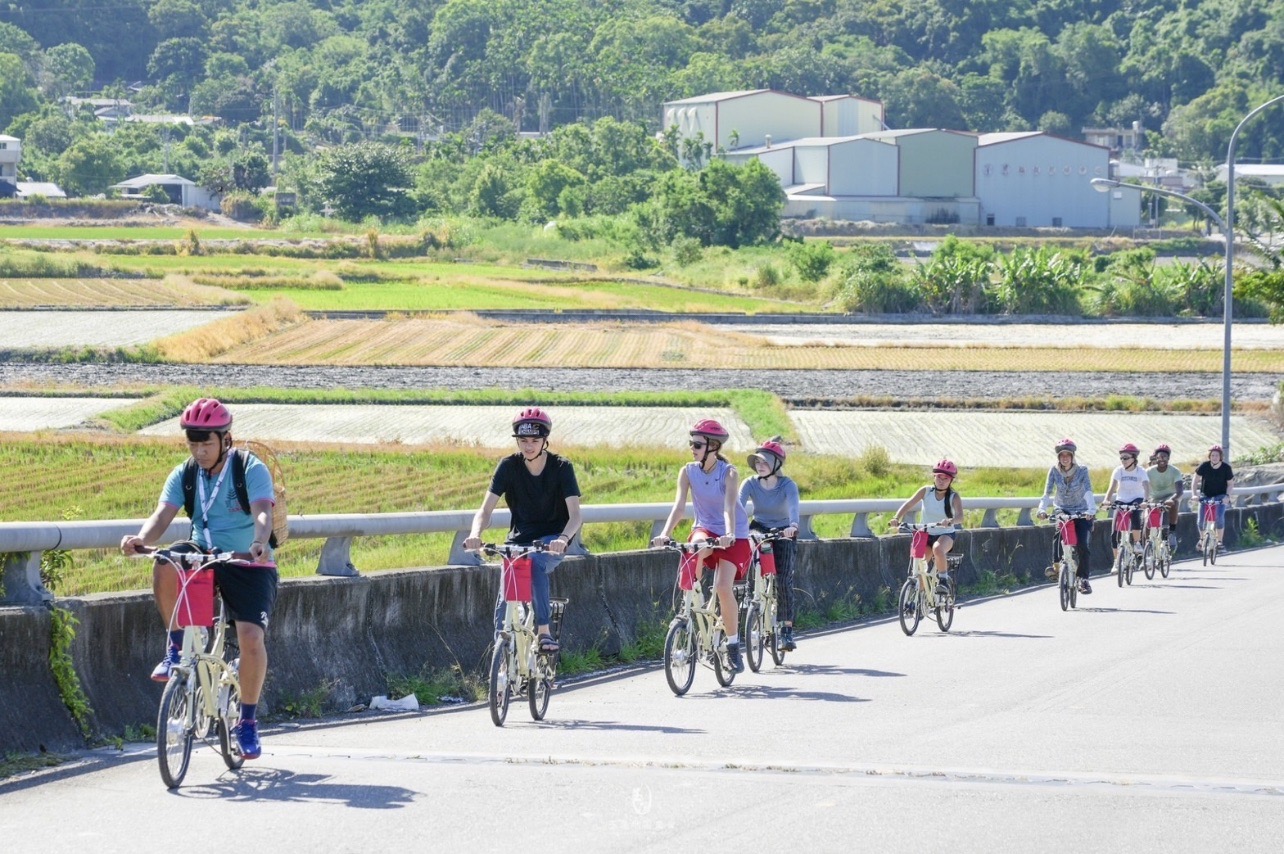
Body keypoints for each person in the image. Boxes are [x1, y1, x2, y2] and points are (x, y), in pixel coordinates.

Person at [120, 398, 276, 760]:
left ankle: (248, 723)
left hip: (246, 559)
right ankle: (175, 648)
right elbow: (162, 515)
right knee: (164, 561)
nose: (200, 451)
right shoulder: (185, 474)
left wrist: (258, 543)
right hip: (203, 553)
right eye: (193, 443)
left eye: (207, 443)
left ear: (226, 439)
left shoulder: (249, 468)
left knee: (251, 638)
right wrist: (143, 539)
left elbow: (263, 513)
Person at [465, 407, 582, 654]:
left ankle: (543, 631)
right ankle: (501, 650)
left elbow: (575, 517)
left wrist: (562, 539)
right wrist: (475, 534)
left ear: (545, 441)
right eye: (523, 440)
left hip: (551, 541)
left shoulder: (561, 467)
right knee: (506, 593)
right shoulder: (508, 466)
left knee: (536, 562)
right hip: (519, 541)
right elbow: (484, 511)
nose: (528, 446)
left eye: (535, 440)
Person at [652, 419, 752, 673]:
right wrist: (665, 533)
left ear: (713, 447)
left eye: (697, 444)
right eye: (691, 443)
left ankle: (731, 645)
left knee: (722, 587)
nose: (692, 448)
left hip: (733, 535)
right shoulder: (687, 471)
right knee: (691, 550)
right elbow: (678, 506)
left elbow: (729, 507)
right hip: (705, 528)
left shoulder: (729, 472)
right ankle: (690, 611)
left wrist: (729, 532)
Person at [738, 437, 801, 651]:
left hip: (784, 530)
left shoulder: (787, 485)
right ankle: (751, 596)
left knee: (783, 580)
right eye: (757, 462)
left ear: (776, 464)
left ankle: (786, 631)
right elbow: (738, 507)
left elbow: (793, 507)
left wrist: (792, 525)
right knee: (747, 551)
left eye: (765, 462)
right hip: (759, 528)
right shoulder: (750, 483)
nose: (760, 465)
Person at [889, 459, 964, 585]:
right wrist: (896, 518)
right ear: (934, 476)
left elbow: (960, 517)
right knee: (920, 567)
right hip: (925, 534)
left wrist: (950, 521)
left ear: (951, 480)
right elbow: (909, 504)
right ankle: (920, 597)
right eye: (939, 477)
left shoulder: (954, 496)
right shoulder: (926, 491)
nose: (941, 480)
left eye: (945, 478)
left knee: (938, 549)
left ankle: (943, 581)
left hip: (945, 535)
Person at [1037, 438, 1097, 594]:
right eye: (1061, 455)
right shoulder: (1054, 471)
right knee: (1059, 535)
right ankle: (1057, 567)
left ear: (1072, 456)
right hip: (1062, 508)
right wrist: (1042, 509)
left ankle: (1083, 579)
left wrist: (1091, 510)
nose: (1065, 458)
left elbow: (1088, 490)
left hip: (1081, 510)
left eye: (1067, 455)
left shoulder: (1082, 470)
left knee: (1083, 545)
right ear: (1058, 457)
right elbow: (1047, 493)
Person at [1103, 442, 1151, 565]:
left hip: (1137, 499)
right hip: (1121, 499)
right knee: (1114, 533)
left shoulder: (1140, 471)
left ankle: (1137, 543)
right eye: (1121, 458)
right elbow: (1112, 486)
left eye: (1126, 458)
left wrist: (1145, 500)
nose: (1123, 461)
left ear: (1134, 458)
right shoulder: (1118, 470)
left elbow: (1146, 486)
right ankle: (1116, 562)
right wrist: (1107, 500)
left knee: (1135, 516)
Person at [1192, 444, 1235, 550]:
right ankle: (1202, 539)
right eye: (1212, 455)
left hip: (1220, 496)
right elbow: (1195, 480)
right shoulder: (1204, 466)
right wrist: (1194, 494)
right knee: (1200, 520)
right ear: (1209, 456)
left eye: (1216, 455)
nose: (1214, 457)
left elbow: (1230, 484)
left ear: (1220, 456)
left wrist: (1227, 497)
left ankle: (1219, 541)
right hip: (1205, 495)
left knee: (1219, 518)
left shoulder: (1226, 468)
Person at [1146, 444, 1183, 551]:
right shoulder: (1148, 472)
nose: (1162, 459)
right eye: (1159, 457)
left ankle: (1172, 532)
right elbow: (1142, 487)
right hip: (1154, 499)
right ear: (1156, 458)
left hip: (1169, 497)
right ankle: (1146, 550)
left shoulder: (1175, 471)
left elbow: (1179, 491)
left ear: (1168, 458)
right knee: (1146, 523)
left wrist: (1172, 499)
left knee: (1175, 503)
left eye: (1164, 457)